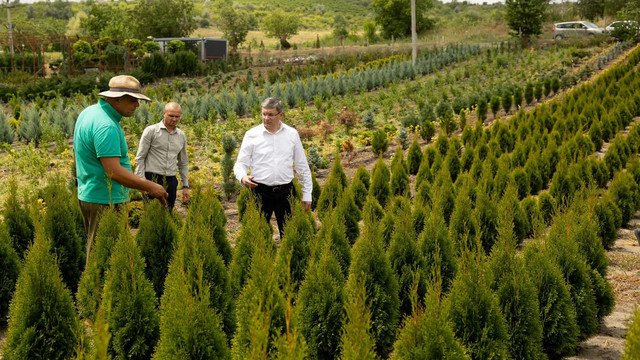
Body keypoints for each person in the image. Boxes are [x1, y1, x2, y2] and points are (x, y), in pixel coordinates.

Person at [74, 75, 168, 265]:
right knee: (104, 258)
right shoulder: (106, 126)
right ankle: (98, 293)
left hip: (90, 192)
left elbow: (78, 151)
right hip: (105, 199)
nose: (137, 105)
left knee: (101, 251)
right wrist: (150, 186)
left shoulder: (90, 112)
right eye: (133, 100)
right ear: (117, 99)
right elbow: (113, 172)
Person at [234, 97, 312, 237]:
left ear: (281, 115)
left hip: (286, 192)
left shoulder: (291, 134)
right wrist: (242, 177)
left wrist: (307, 194)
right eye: (264, 114)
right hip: (260, 192)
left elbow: (302, 166)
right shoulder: (252, 135)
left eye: (270, 114)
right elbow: (241, 163)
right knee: (257, 237)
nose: (266, 118)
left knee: (291, 236)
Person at [134, 102, 190, 212]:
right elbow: (140, 157)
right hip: (152, 179)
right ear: (164, 113)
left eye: (177, 116)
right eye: (171, 115)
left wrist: (185, 186)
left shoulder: (181, 136)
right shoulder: (151, 131)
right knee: (151, 215)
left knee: (168, 213)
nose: (174, 119)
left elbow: (183, 162)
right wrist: (142, 182)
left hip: (171, 180)